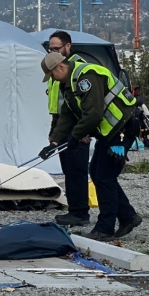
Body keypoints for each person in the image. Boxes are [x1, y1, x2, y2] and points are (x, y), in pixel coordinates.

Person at [39, 52, 142, 241]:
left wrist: (75, 138)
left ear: (60, 68)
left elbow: (93, 115)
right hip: (110, 130)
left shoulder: (86, 77)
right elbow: (67, 115)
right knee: (97, 172)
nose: (52, 79)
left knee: (104, 177)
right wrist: (54, 142)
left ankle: (105, 228)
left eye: (52, 75)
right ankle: (128, 216)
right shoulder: (69, 84)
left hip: (123, 127)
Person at [45, 31, 91, 227]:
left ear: (68, 47)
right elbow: (60, 106)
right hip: (62, 122)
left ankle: (80, 212)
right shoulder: (56, 68)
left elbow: (86, 105)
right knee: (68, 170)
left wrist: (85, 131)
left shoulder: (78, 69)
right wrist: (54, 134)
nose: (53, 52)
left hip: (78, 126)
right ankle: (74, 209)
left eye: (56, 49)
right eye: (50, 49)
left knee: (77, 170)